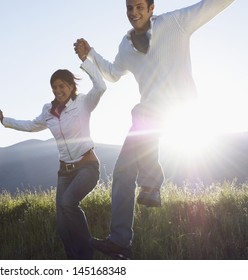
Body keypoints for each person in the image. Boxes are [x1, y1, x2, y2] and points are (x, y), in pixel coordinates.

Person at [74, 0, 234, 259]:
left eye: (139, 7)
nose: (133, 13)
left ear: (151, 8)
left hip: (180, 107)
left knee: (140, 112)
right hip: (149, 118)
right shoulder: (126, 45)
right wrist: (90, 53)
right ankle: (120, 241)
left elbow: (212, 4)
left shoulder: (175, 22)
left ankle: (151, 184)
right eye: (129, 8)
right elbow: (114, 74)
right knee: (122, 171)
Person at [0, 53, 106, 259]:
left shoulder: (83, 103)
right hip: (65, 172)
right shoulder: (48, 110)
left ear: (71, 87)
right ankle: (74, 260)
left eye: (62, 86)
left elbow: (101, 87)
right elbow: (30, 125)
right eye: (54, 87)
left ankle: (88, 250)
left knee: (68, 204)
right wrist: (5, 120)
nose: (58, 90)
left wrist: (86, 63)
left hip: (87, 166)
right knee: (62, 224)